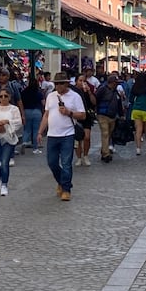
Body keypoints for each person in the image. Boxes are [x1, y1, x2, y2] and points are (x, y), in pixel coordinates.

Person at [37, 72, 85, 201]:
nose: (58, 86)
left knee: (66, 163)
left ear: (67, 83)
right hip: (52, 135)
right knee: (52, 162)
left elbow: (83, 115)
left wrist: (69, 112)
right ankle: (62, 181)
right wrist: (40, 132)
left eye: (61, 83)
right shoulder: (51, 96)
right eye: (56, 83)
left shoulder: (75, 97)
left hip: (67, 134)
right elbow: (46, 115)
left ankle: (66, 189)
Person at [95, 75, 124, 163]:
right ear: (112, 83)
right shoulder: (103, 89)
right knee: (105, 133)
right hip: (102, 114)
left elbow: (119, 103)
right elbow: (96, 99)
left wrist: (121, 114)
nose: (117, 84)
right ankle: (106, 154)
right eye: (116, 83)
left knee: (109, 134)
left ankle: (104, 149)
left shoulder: (116, 91)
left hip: (112, 116)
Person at [72, 74, 96, 166]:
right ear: (76, 81)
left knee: (87, 137)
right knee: (77, 139)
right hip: (76, 115)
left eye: (84, 81)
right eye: (80, 81)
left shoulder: (87, 91)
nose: (82, 83)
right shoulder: (73, 92)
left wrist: (89, 92)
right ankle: (78, 157)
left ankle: (85, 155)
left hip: (86, 116)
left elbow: (94, 102)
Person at [129, 72, 146, 155]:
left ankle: (138, 148)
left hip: (136, 109)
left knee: (138, 130)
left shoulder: (134, 88)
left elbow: (131, 99)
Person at [20, 76, 44, 155]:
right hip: (37, 111)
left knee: (27, 129)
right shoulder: (39, 92)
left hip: (27, 111)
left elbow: (21, 102)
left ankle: (24, 142)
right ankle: (35, 148)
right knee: (36, 130)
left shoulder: (24, 92)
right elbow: (43, 103)